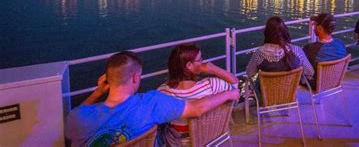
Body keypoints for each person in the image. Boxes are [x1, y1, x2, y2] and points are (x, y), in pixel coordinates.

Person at [65, 51, 239, 146]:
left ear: (107, 80)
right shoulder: (152, 103)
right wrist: (230, 93)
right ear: (135, 78)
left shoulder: (77, 118)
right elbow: (197, 108)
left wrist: (97, 93)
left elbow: (70, 128)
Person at [158, 43, 238, 146]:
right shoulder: (211, 86)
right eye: (200, 60)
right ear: (189, 65)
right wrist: (214, 69)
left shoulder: (163, 93)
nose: (202, 62)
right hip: (211, 138)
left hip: (177, 143)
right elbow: (235, 85)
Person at [246, 16, 314, 80]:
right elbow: (310, 72)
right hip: (291, 91)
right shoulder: (296, 51)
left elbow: (249, 73)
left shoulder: (259, 53)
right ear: (285, 32)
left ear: (267, 33)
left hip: (267, 92)